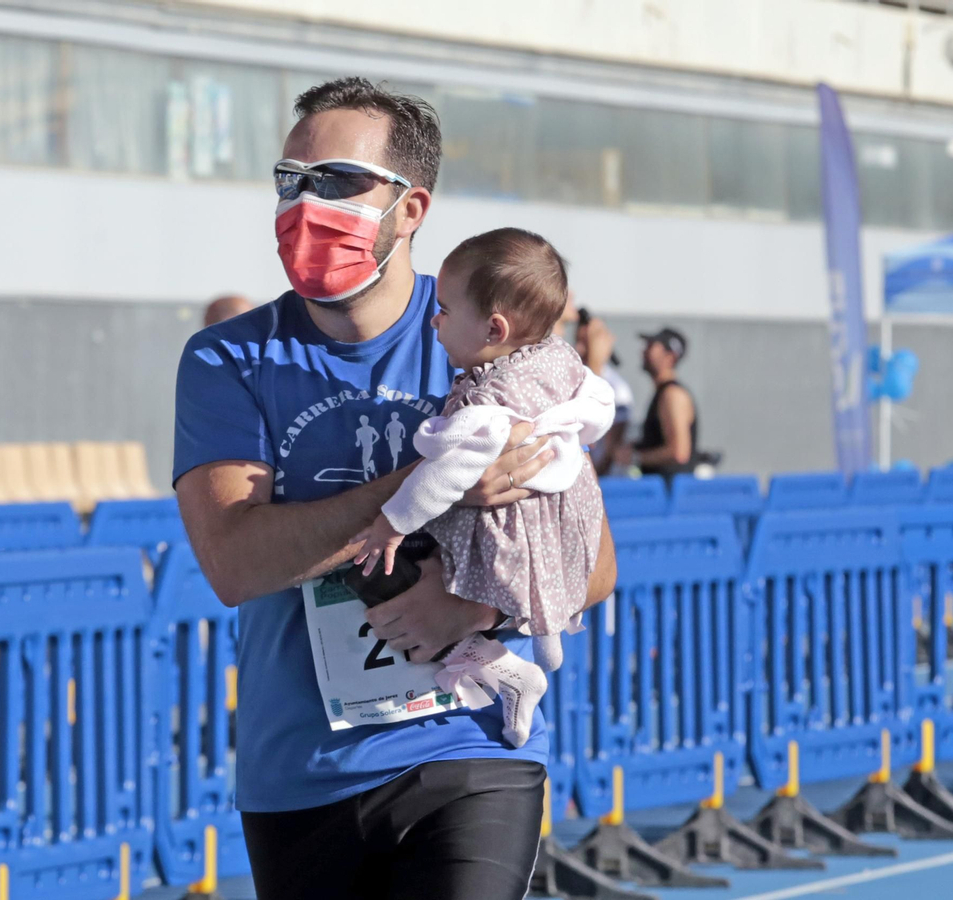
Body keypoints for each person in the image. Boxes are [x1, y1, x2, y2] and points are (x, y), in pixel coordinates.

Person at [174, 77, 616, 900]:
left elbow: (591, 564)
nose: (306, 204)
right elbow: (235, 562)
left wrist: (475, 605)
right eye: (290, 181)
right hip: (302, 771)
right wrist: (434, 483)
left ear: (410, 209)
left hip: (471, 747)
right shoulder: (227, 360)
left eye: (337, 181)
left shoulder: (491, 335)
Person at [351, 228, 614, 748]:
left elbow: (445, 475)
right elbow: (599, 404)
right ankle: (539, 645)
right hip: (561, 518)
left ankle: (496, 657)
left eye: (445, 310)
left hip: (504, 530)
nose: (434, 319)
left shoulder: (488, 403)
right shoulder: (559, 359)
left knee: (372, 571)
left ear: (494, 328)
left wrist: (390, 523)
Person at [633, 326, 697, 481]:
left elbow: (679, 452)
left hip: (668, 498)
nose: (644, 351)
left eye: (651, 346)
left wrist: (634, 457)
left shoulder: (673, 396)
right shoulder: (663, 394)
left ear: (670, 357)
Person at [575, 309, 634, 476]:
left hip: (600, 478)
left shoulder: (618, 389)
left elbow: (611, 450)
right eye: (577, 340)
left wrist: (593, 480)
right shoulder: (571, 374)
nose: (578, 348)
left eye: (585, 342)